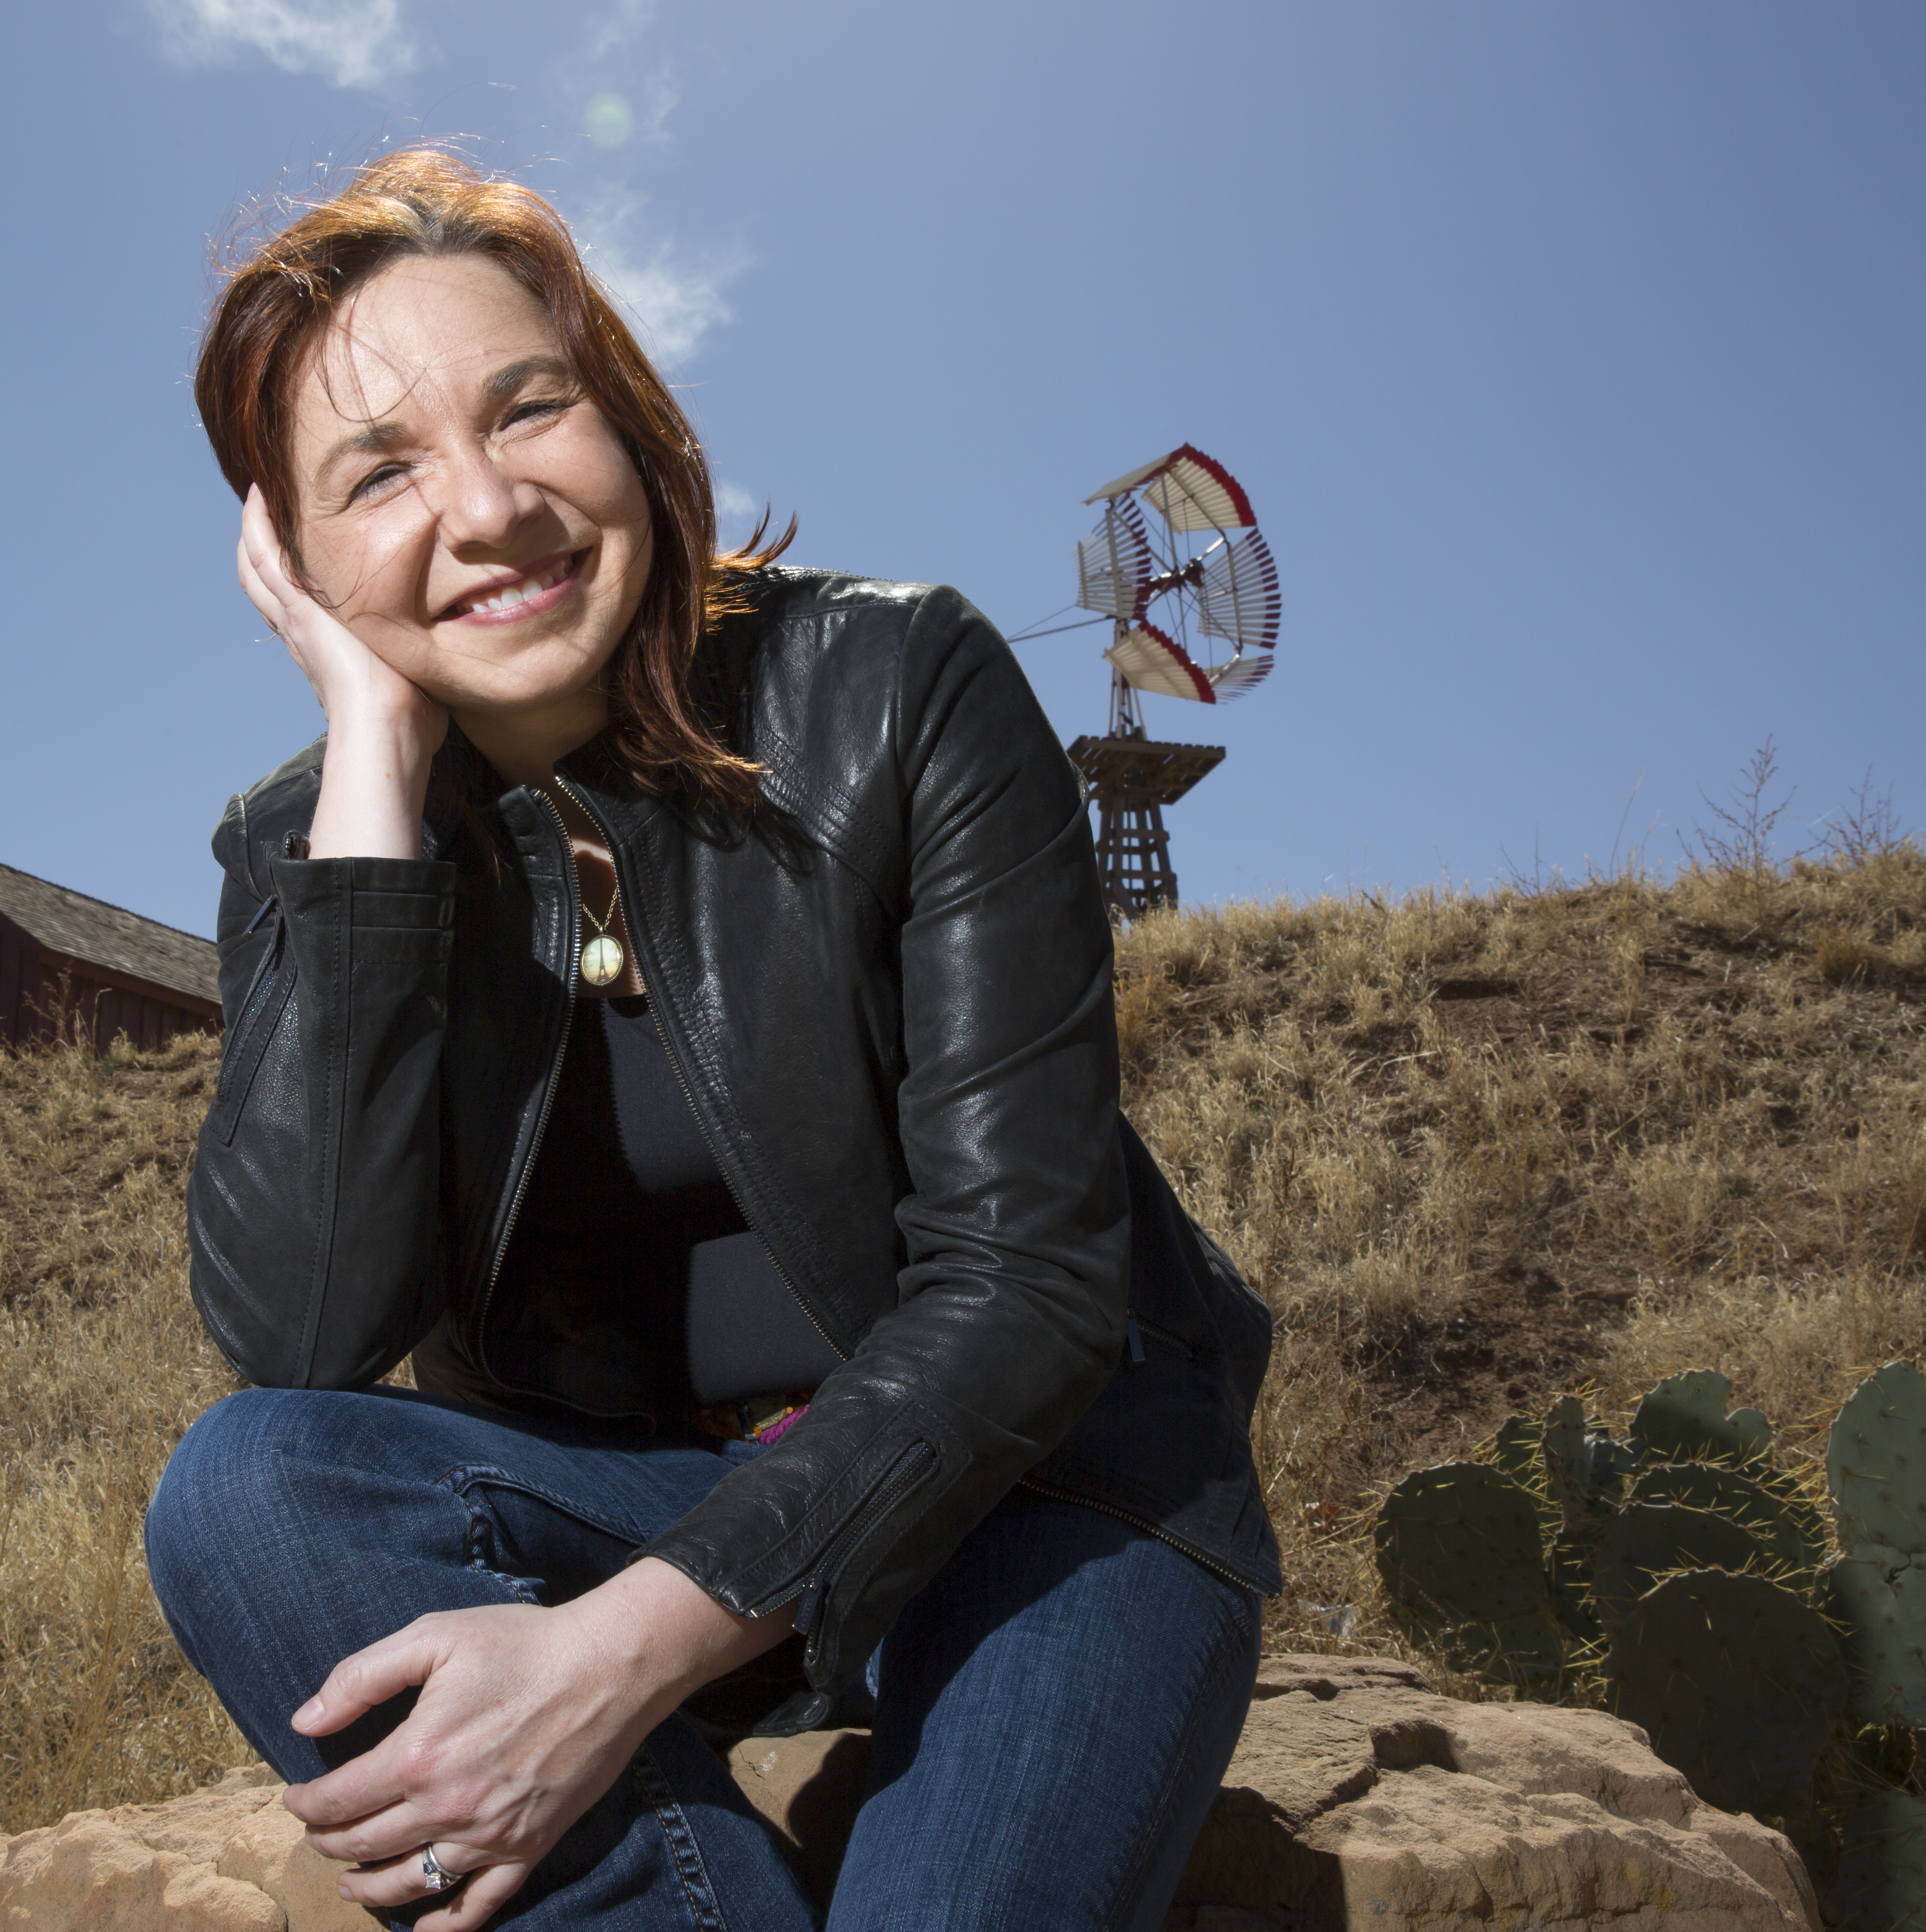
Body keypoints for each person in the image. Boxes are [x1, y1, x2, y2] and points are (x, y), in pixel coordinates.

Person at [145, 147, 1280, 1931]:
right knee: (252, 1489)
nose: (492, 507)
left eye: (533, 411)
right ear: (285, 557)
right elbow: (302, 1333)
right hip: (652, 1499)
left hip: (1040, 1484)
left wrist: (611, 1658)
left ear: (632, 422)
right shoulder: (314, 843)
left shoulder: (900, 685)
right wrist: (373, 764)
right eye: (379, 475)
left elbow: (1033, 1289)